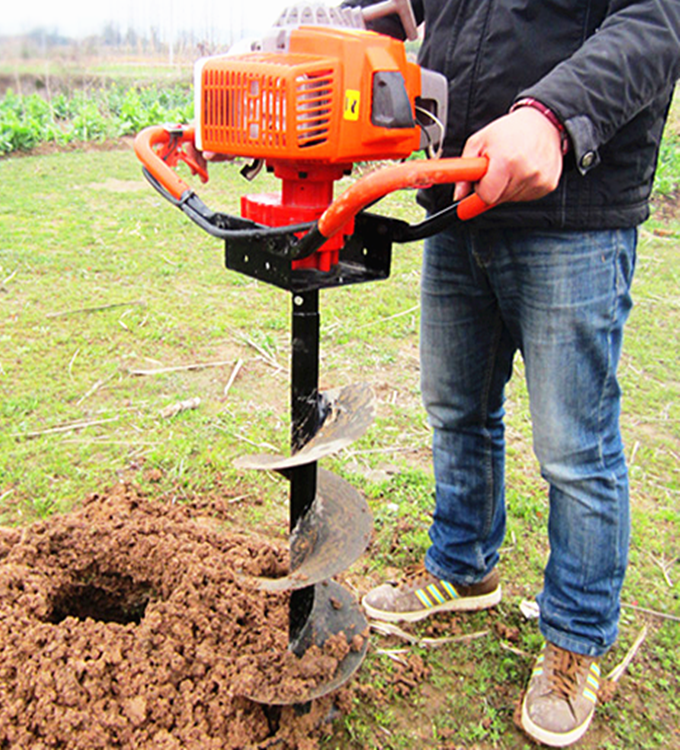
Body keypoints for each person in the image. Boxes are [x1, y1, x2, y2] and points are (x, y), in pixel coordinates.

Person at [342, 0, 680, 746]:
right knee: (456, 409)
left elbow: (657, 22)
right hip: (457, 199)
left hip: (575, 215)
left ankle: (577, 639)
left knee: (574, 450)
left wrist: (553, 115)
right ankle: (464, 567)